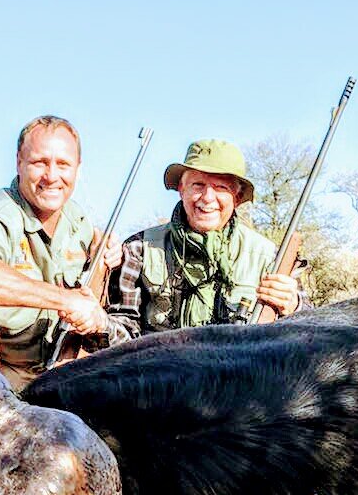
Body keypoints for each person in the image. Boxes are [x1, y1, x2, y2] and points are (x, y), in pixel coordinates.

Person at [0, 115, 119, 390]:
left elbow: (89, 305)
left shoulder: (81, 224)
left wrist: (105, 259)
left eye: (63, 164)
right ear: (19, 162)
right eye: (40, 163)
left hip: (43, 373)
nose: (51, 176)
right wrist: (64, 300)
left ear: (78, 169)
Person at [101, 139, 308, 346]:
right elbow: (123, 328)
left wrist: (293, 305)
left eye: (220, 187)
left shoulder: (271, 258)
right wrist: (100, 323)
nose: (208, 198)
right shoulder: (139, 248)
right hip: (158, 373)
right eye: (198, 185)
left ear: (236, 197)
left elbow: (311, 329)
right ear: (182, 189)